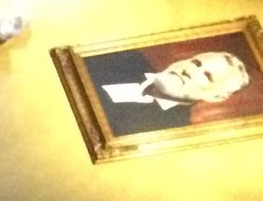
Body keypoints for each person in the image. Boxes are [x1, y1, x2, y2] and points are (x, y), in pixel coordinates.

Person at [88, 46, 252, 136]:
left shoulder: (166, 131)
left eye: (207, 76)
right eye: (196, 63)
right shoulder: (125, 56)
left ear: (216, 97)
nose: (189, 71)